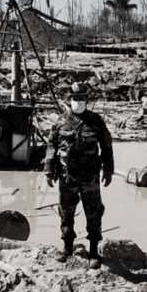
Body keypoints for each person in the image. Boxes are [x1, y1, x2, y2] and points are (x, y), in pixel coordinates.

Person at [44, 82, 114, 266]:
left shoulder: (96, 121)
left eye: (82, 98)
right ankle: (67, 248)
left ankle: (93, 252)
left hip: (90, 177)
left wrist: (108, 170)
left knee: (94, 212)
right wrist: (49, 170)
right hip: (67, 177)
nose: (78, 102)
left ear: (86, 100)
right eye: (75, 98)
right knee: (66, 212)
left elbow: (107, 145)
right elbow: (52, 145)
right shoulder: (61, 121)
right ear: (70, 100)